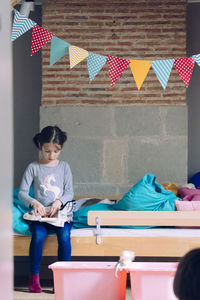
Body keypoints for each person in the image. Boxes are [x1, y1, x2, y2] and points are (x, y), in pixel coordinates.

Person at [18, 125, 74, 293]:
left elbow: (70, 191)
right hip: (40, 217)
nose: (51, 155)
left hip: (60, 215)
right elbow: (22, 192)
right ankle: (34, 278)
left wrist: (59, 201)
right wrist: (34, 202)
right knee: (38, 236)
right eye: (47, 150)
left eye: (56, 151)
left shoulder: (64, 167)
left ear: (61, 149)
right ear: (40, 146)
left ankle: (62, 277)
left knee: (64, 236)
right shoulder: (33, 167)